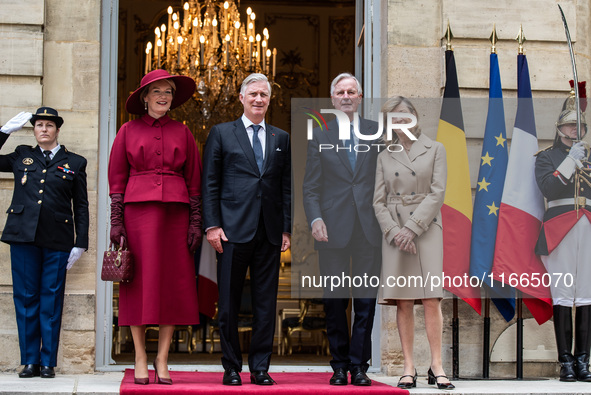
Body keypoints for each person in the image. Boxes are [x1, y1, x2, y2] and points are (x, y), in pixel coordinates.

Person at [108, 69, 202, 385]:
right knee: (139, 285)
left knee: (172, 285)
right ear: (145, 97)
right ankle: (140, 356)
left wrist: (195, 223)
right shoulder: (127, 130)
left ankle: (162, 358)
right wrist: (116, 221)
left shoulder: (184, 132)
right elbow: (117, 180)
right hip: (137, 216)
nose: (163, 96)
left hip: (176, 216)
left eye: (168, 92)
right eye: (157, 91)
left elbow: (195, 182)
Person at [202, 73, 291, 386]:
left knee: (266, 305)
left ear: (269, 99)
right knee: (227, 305)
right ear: (241, 98)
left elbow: (285, 186)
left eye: (263, 95)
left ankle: (260, 368)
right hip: (231, 232)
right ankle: (231, 367)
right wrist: (212, 226)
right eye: (253, 94)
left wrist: (286, 229)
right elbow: (210, 182)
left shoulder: (281, 138)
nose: (258, 99)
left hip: (269, 232)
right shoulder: (222, 133)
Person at [302, 72, 381, 386]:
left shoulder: (376, 132)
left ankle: (359, 366)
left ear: (359, 98)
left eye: (352, 91)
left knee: (365, 301)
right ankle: (338, 365)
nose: (346, 96)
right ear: (332, 100)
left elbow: (386, 180)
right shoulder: (319, 136)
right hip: (331, 230)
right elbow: (311, 187)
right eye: (340, 92)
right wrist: (315, 218)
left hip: (368, 229)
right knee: (334, 301)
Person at [0, 108, 89, 379]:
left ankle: (48, 361)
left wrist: (80, 242)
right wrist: (3, 133)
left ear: (57, 130)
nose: (44, 129)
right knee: (26, 299)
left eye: (49, 125)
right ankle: (29, 360)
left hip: (58, 240)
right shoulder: (21, 156)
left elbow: (81, 205)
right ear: (34, 129)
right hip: (23, 237)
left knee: (51, 300)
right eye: (39, 125)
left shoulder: (74, 162)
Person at [372, 97, 454, 390]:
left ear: (415, 117)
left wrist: (412, 227)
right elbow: (378, 202)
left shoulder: (436, 149)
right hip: (395, 234)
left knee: (432, 298)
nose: (401, 120)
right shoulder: (384, 155)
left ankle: (437, 365)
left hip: (428, 229)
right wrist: (395, 232)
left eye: (405, 114)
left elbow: (438, 192)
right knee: (403, 301)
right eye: (395, 117)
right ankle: (408, 367)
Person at [535, 94, 591, 382]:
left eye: (578, 125)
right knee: (563, 294)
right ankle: (566, 361)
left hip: (589, 227)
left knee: (585, 295)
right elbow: (550, 190)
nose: (574, 130)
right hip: (560, 229)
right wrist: (570, 162)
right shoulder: (547, 157)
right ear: (559, 128)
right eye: (569, 125)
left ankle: (583, 360)